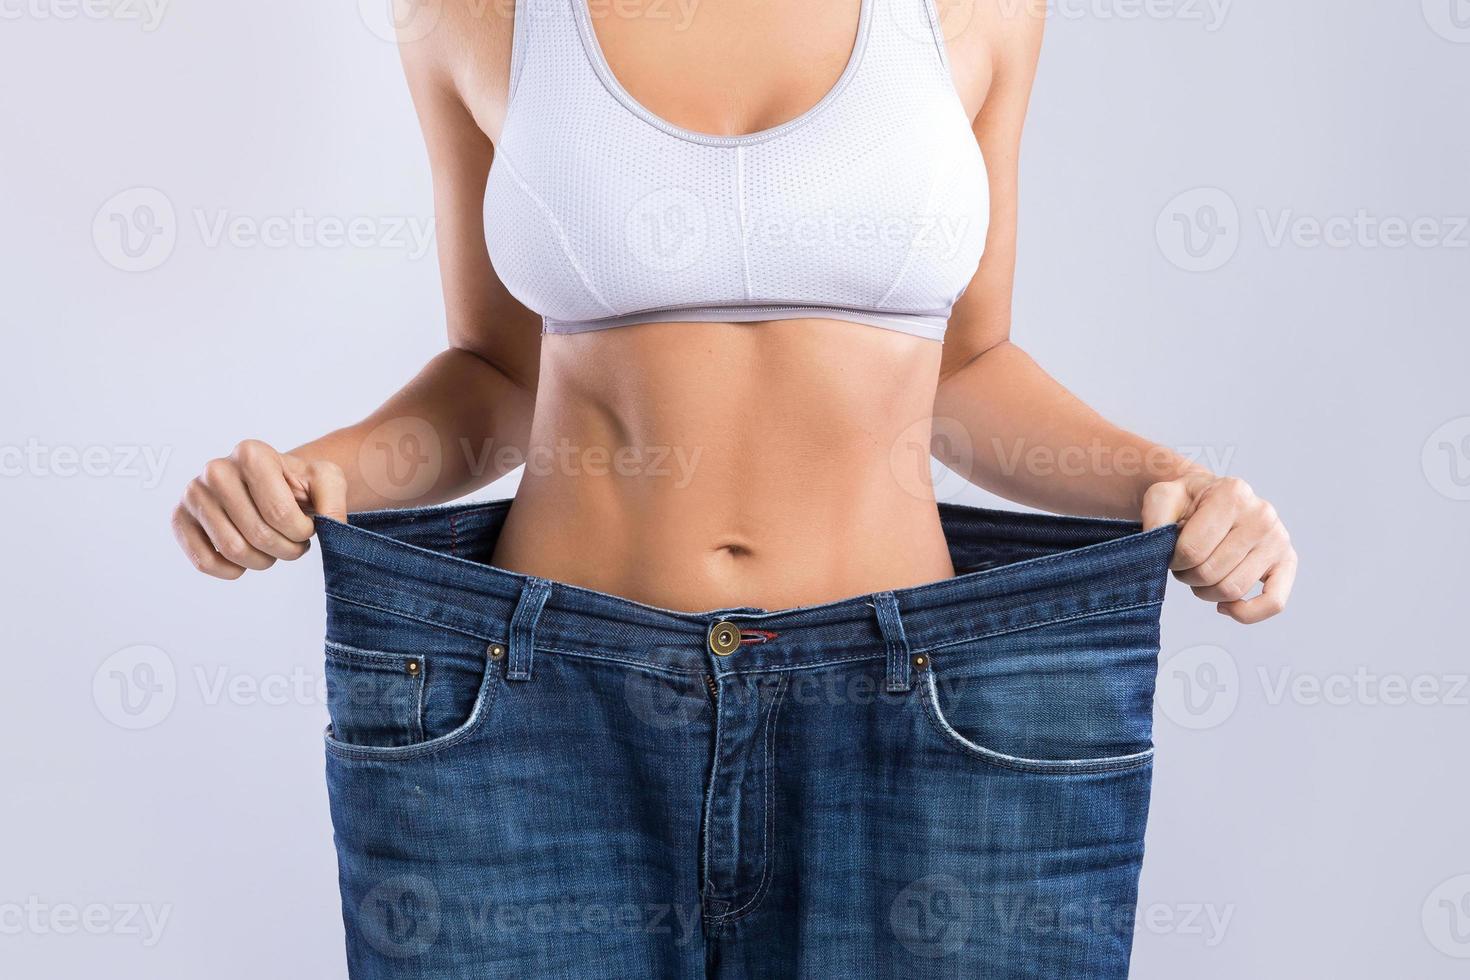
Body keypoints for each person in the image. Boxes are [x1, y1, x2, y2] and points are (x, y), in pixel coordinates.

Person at [172, 1, 1295, 976]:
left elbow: (967, 369)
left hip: (910, 711)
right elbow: (498, 373)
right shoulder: (474, 10)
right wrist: (320, 473)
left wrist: (1176, 485)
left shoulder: (980, 8)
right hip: (544, 707)